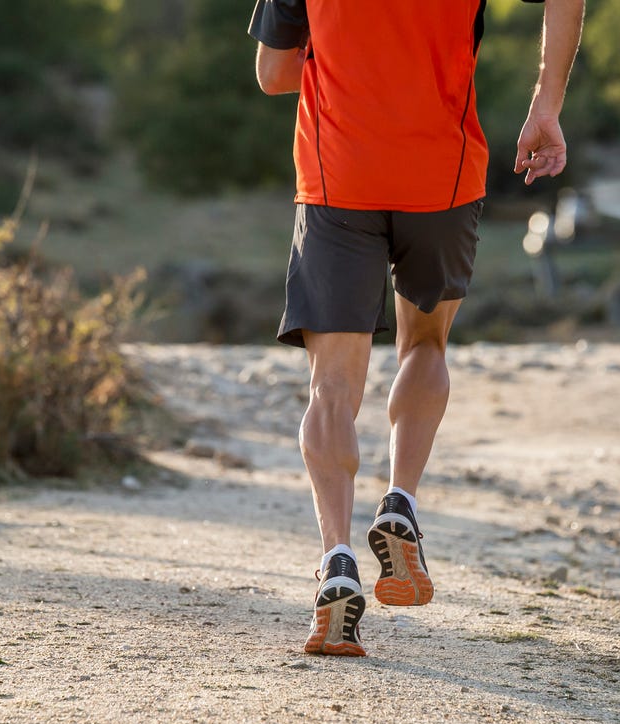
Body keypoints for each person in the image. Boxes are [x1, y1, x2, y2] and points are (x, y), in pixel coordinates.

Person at [248, 0, 585, 656]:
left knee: (331, 387)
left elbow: (271, 72)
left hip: (338, 173)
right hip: (443, 173)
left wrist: (347, 61)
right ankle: (399, 500)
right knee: (425, 345)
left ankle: (337, 561)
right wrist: (545, 104)